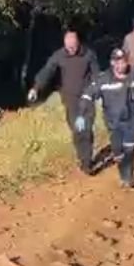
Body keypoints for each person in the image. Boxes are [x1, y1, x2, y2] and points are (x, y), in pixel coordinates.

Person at [28, 30, 101, 174]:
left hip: (86, 98)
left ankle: (87, 162)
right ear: (65, 45)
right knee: (76, 129)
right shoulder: (59, 56)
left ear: (78, 43)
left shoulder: (88, 54)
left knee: (85, 128)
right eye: (69, 47)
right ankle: (83, 157)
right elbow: (47, 72)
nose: (71, 50)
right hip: (70, 99)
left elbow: (96, 75)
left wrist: (97, 90)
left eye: (73, 47)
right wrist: (36, 88)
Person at [80, 49, 134, 188]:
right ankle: (124, 174)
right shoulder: (104, 79)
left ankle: (129, 177)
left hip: (132, 120)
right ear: (112, 63)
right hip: (114, 123)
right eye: (118, 62)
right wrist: (82, 115)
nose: (121, 65)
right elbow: (87, 95)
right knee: (118, 152)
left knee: (130, 149)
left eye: (124, 61)